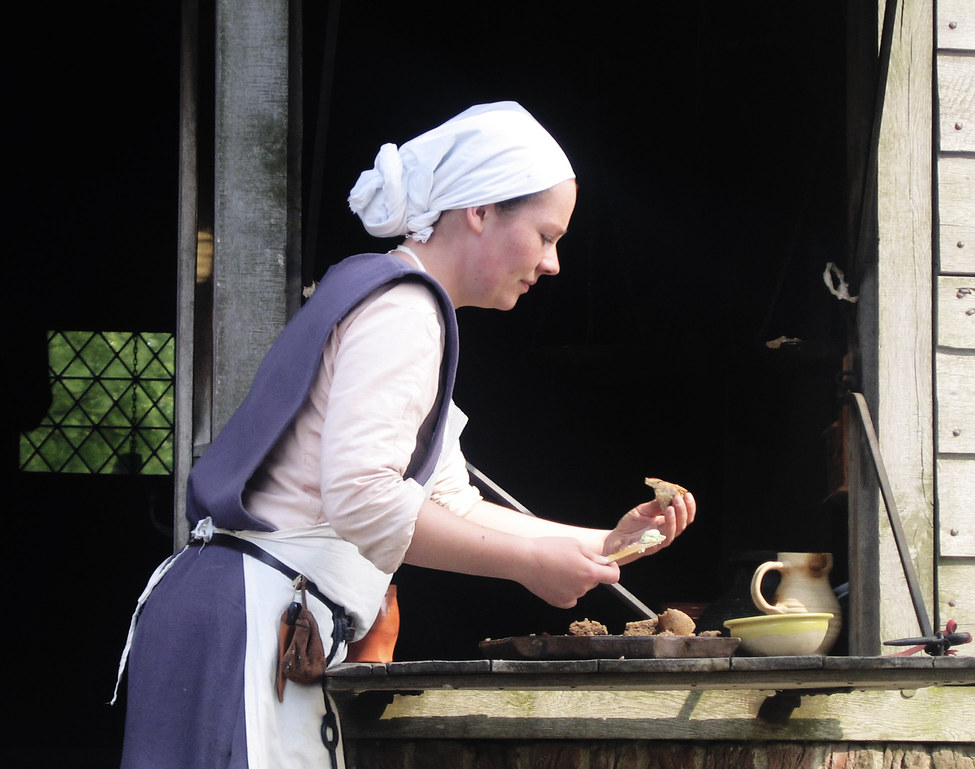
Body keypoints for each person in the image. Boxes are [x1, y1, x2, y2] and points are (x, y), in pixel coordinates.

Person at [113, 101, 696, 769]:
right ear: (479, 211)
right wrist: (525, 564)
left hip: (254, 618)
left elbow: (452, 505)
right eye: (545, 234)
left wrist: (604, 542)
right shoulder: (404, 309)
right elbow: (362, 497)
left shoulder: (396, 300)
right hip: (248, 621)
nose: (554, 261)